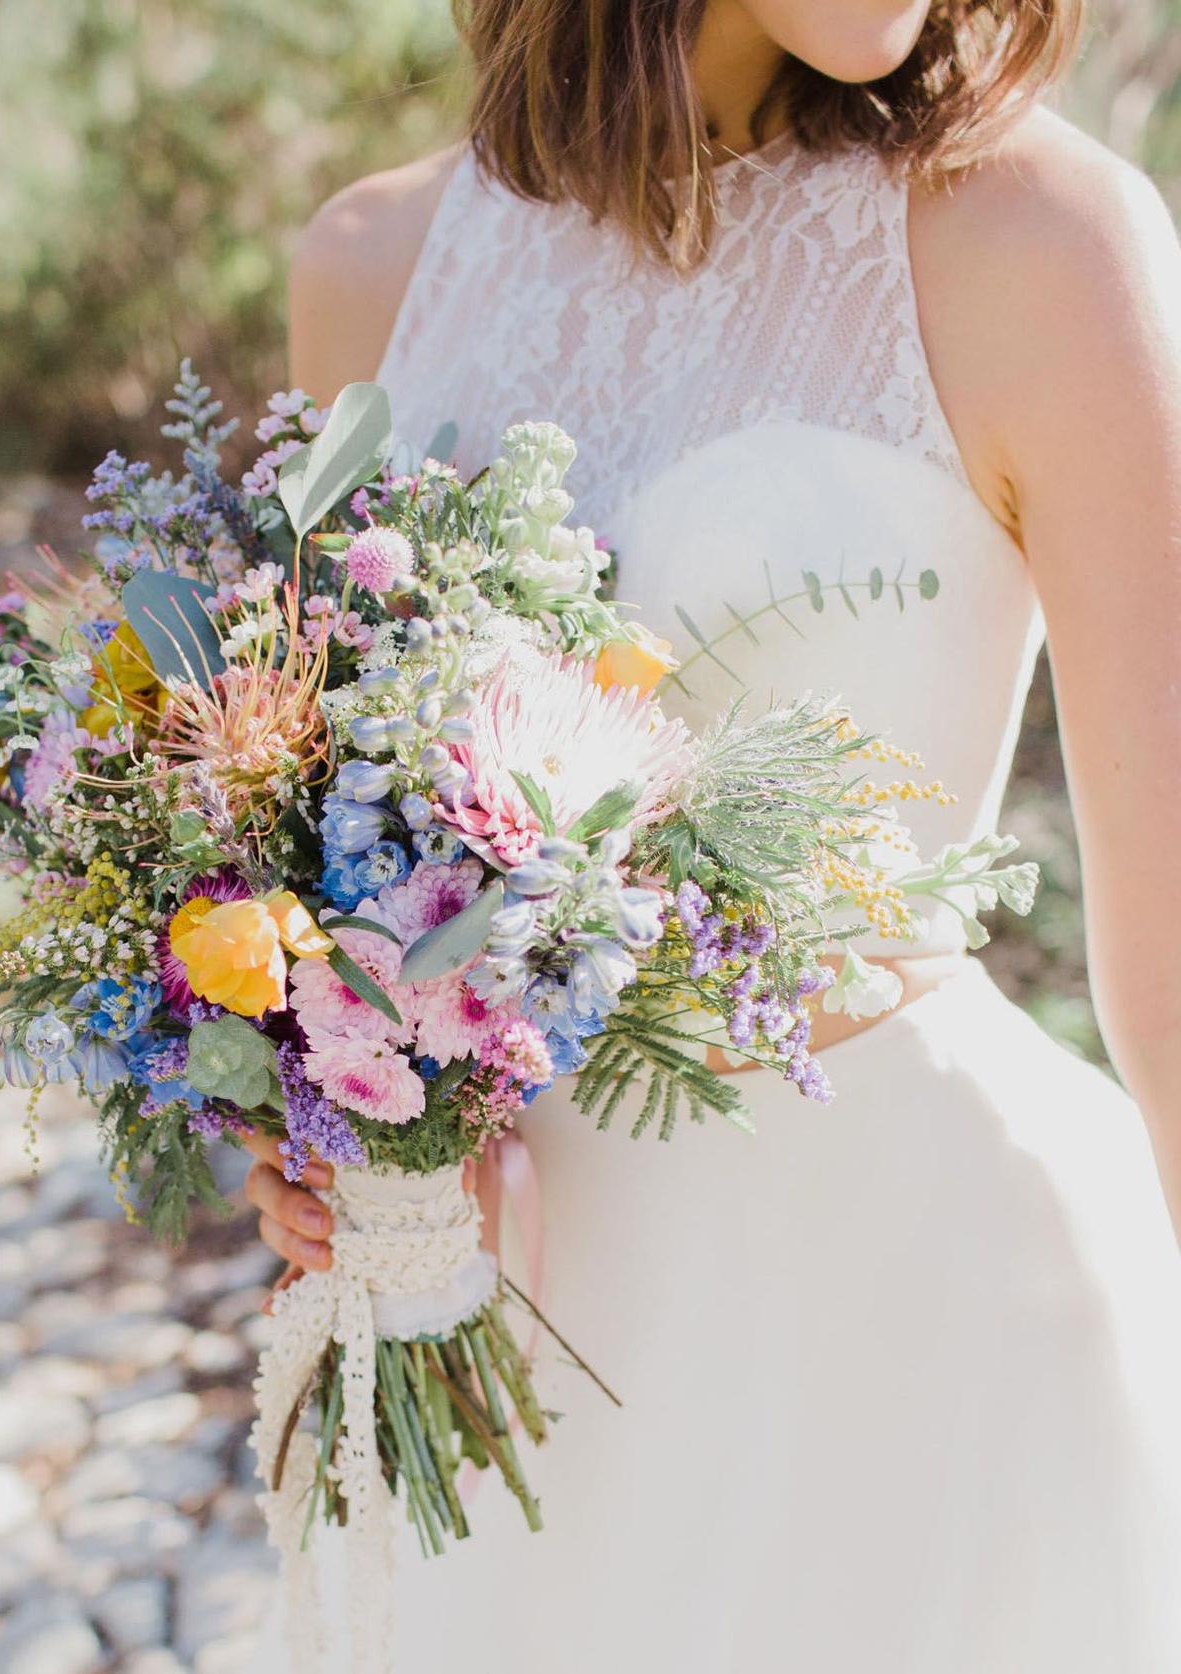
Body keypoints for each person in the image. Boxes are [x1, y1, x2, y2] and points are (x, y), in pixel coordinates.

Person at [244, 2, 1181, 1667]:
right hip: (505, 1359)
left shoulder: (1048, 242)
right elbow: (335, 865)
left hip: (940, 1352)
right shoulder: (371, 266)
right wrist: (314, 1113)